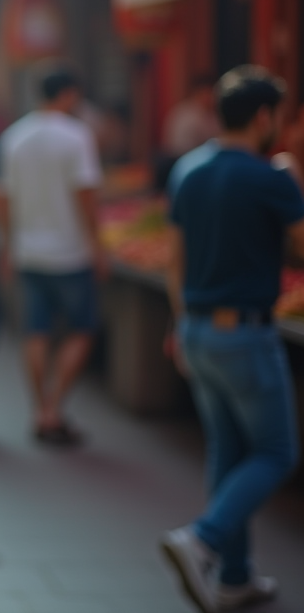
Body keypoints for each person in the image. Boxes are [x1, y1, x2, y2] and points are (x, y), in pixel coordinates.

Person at [161, 66, 301, 613]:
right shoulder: (271, 178)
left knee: (230, 450)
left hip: (197, 326)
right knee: (275, 452)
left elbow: (176, 258)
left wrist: (179, 323)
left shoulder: (189, 171)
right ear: (265, 116)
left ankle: (236, 577)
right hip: (244, 334)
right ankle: (203, 540)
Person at [0, 64, 104, 447]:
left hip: (28, 252)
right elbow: (86, 196)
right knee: (81, 328)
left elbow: (3, 199)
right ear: (69, 94)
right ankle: (54, 406)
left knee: (35, 331)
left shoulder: (14, 138)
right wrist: (97, 245)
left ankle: (41, 408)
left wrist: (8, 246)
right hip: (71, 252)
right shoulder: (77, 136)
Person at [165, 76, 222, 159]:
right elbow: (179, 148)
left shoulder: (214, 114)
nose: (210, 97)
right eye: (206, 93)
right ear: (197, 93)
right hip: (180, 158)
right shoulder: (185, 115)